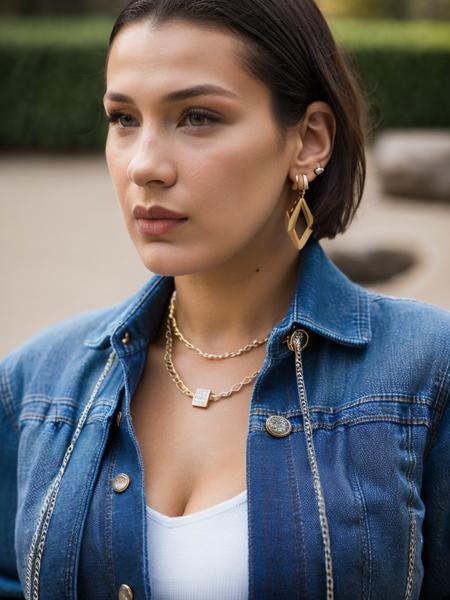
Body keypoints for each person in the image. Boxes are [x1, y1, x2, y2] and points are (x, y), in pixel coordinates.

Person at [1, 0, 449, 598]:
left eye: (198, 117)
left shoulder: (426, 372)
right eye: (124, 119)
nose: (145, 166)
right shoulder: (37, 386)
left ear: (308, 140)